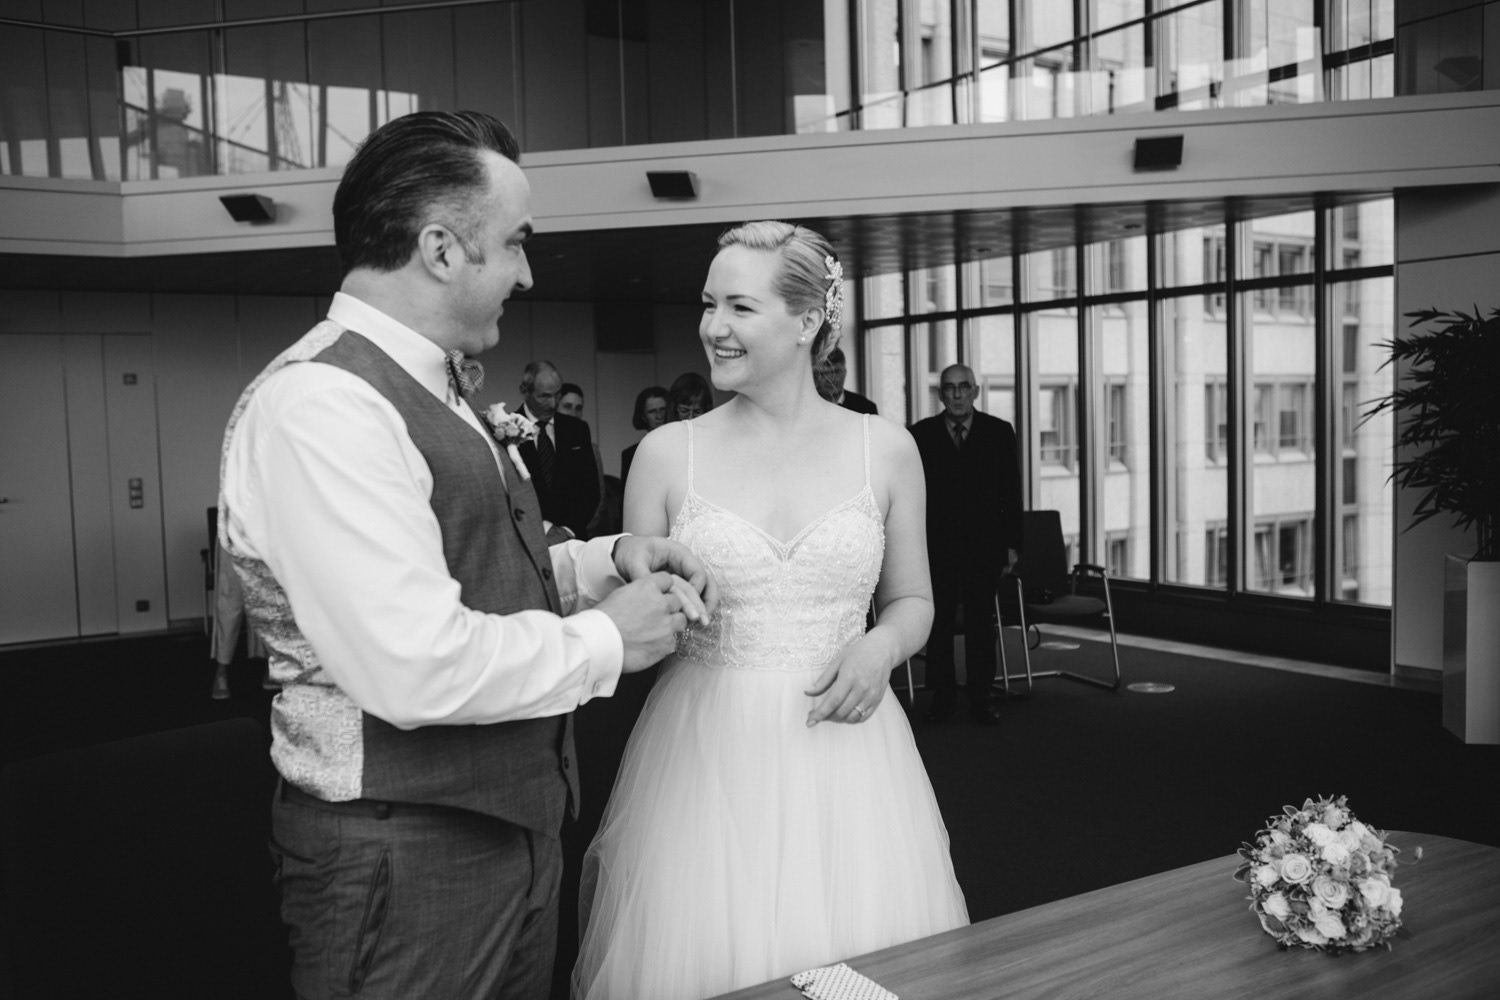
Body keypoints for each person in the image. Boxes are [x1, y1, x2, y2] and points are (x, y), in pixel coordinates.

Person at [217, 110, 716, 1000]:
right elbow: (412, 663)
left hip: (511, 830)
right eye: (517, 243)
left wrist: (608, 560)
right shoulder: (324, 405)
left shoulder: (433, 386)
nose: (527, 274)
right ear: (442, 250)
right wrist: (610, 637)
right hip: (402, 852)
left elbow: (481, 567)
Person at [574, 221, 968, 1000]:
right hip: (706, 751)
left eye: (740, 307)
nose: (713, 327)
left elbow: (914, 600)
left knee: (864, 952)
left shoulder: (886, 449)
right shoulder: (667, 453)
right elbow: (638, 614)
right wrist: (658, 608)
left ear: (807, 321)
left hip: (851, 751)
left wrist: (881, 649)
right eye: (708, 304)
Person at [909, 363, 1023, 726]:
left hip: (983, 547)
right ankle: (942, 698)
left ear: (976, 391)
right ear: (940, 394)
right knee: (939, 625)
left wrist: (1012, 544)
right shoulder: (921, 435)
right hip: (937, 548)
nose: (957, 395)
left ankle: (981, 698)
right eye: (949, 388)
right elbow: (913, 497)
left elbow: (1011, 492)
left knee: (980, 626)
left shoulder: (998, 432)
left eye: (963, 387)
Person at [517, 361, 602, 538]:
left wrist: (567, 531)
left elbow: (590, 490)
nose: (553, 404)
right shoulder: (507, 429)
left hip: (573, 537)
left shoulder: (577, 429)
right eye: (544, 396)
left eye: (557, 395)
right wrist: (546, 530)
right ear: (525, 391)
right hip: (529, 538)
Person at [558, 381, 609, 535]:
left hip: (581, 532)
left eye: (578, 408)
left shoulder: (591, 449)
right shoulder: (544, 446)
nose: (573, 413)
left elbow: (599, 496)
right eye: (567, 406)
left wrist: (582, 529)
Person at [620, 385, 669, 488]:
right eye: (652, 411)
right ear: (643, 416)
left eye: (663, 409)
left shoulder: (682, 447)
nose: (659, 416)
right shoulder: (630, 455)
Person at [814, 345, 878, 414]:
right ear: (815, 376)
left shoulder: (867, 408)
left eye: (836, 372)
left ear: (845, 372)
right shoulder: (808, 406)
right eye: (824, 373)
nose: (831, 379)